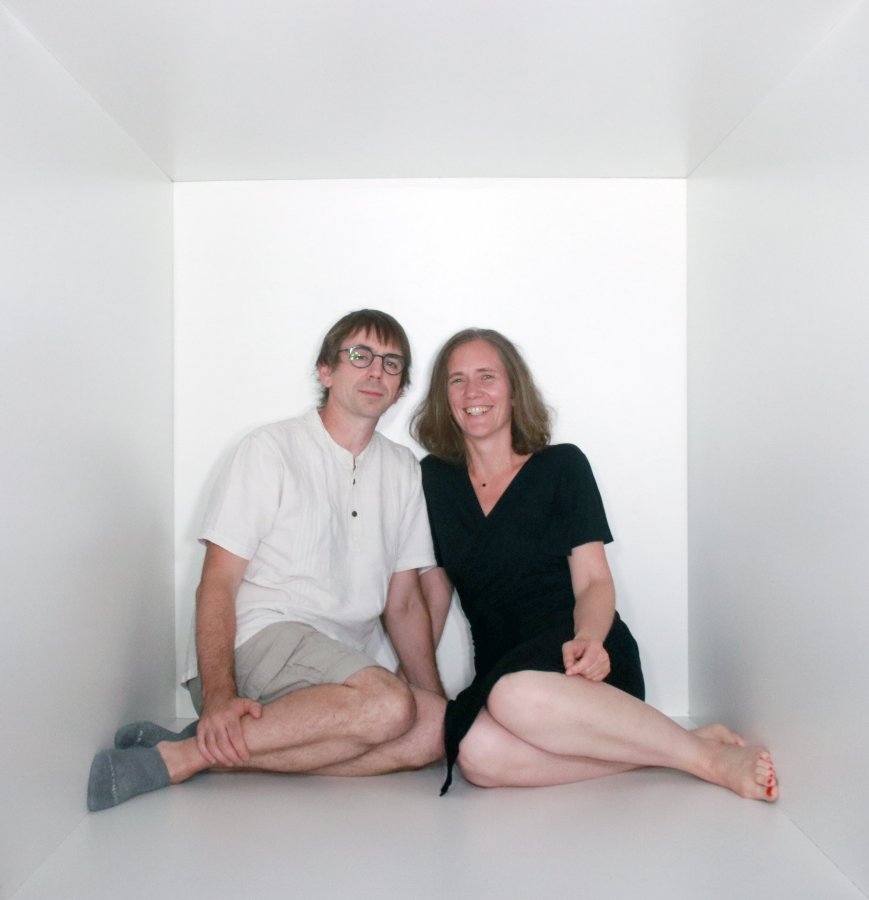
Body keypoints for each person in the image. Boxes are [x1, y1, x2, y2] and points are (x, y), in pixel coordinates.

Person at [88, 310, 446, 811]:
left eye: (391, 363)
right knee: (389, 706)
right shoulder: (270, 449)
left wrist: (435, 701)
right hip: (257, 642)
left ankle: (208, 750)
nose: (375, 371)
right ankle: (180, 758)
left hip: (342, 671)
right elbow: (217, 583)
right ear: (326, 370)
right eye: (359, 355)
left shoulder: (402, 468)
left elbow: (404, 604)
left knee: (435, 732)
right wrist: (219, 698)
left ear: (401, 386)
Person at [412, 328, 778, 800]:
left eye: (487, 376)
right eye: (457, 380)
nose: (472, 392)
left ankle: (709, 761)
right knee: (475, 755)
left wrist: (589, 639)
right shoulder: (433, 480)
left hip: (581, 657)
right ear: (444, 398)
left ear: (514, 390)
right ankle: (670, 745)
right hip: (502, 666)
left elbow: (593, 581)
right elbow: (434, 593)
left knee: (513, 695)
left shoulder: (562, 466)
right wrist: (417, 684)